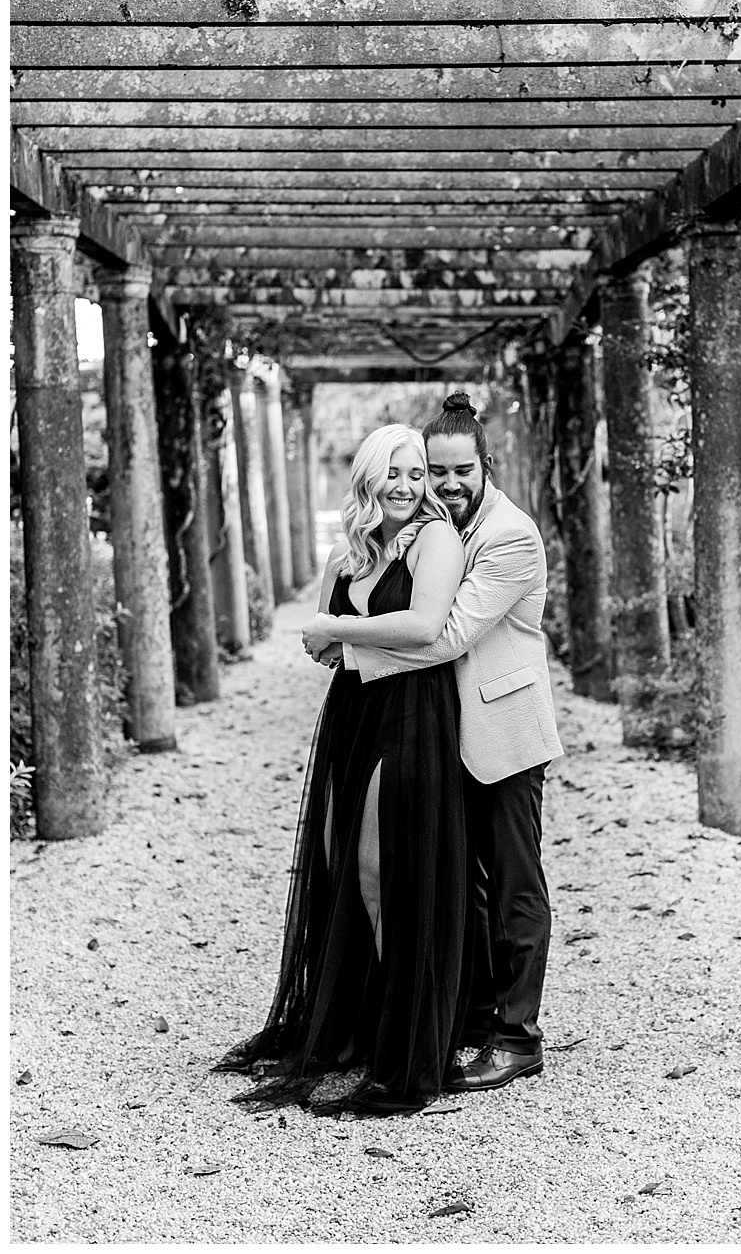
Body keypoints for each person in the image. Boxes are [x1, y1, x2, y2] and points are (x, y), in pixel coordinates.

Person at [302, 392, 563, 1093]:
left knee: (513, 884)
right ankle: (469, 1019)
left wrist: (340, 641)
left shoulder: (508, 535)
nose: (446, 482)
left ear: (485, 464)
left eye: (459, 470)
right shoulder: (431, 526)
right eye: (434, 469)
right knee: (462, 887)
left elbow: (444, 635)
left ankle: (518, 1036)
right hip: (443, 730)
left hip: (502, 727)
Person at [216, 424, 469, 1115]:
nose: (409, 485)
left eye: (418, 473)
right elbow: (318, 645)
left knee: (379, 866)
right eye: (396, 471)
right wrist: (330, 637)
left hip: (414, 713)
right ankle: (356, 1027)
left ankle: (406, 1043)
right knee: (336, 862)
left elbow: (423, 627)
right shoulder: (353, 550)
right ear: (368, 476)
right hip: (354, 709)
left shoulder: (436, 540)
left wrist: (338, 631)